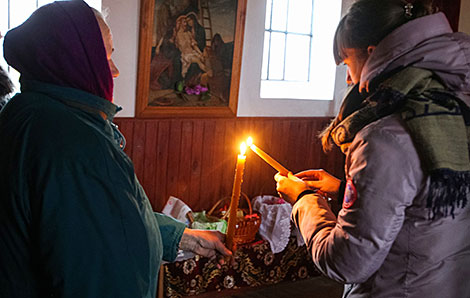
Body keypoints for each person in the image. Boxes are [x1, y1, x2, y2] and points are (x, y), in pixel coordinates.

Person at [0, 1, 231, 297]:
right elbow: (103, 274)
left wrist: (181, 237)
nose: (116, 71)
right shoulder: (76, 145)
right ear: (76, 60)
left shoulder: (30, 113)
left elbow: (101, 225)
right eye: (105, 55)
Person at [275, 0, 470, 297]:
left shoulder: (384, 136)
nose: (350, 78)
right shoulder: (456, 107)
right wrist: (343, 192)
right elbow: (426, 211)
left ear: (372, 53)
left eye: (348, 62)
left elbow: (346, 261)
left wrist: (304, 202)